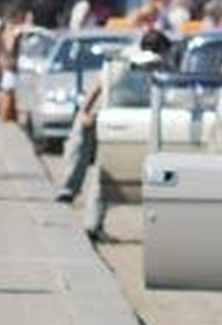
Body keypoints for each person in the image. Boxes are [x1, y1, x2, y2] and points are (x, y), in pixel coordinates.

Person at [56, 28, 174, 217]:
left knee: (107, 168)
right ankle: (69, 190)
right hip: (107, 111)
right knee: (90, 157)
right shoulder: (126, 61)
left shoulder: (156, 64)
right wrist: (85, 111)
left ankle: (92, 219)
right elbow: (100, 85)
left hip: (129, 115)